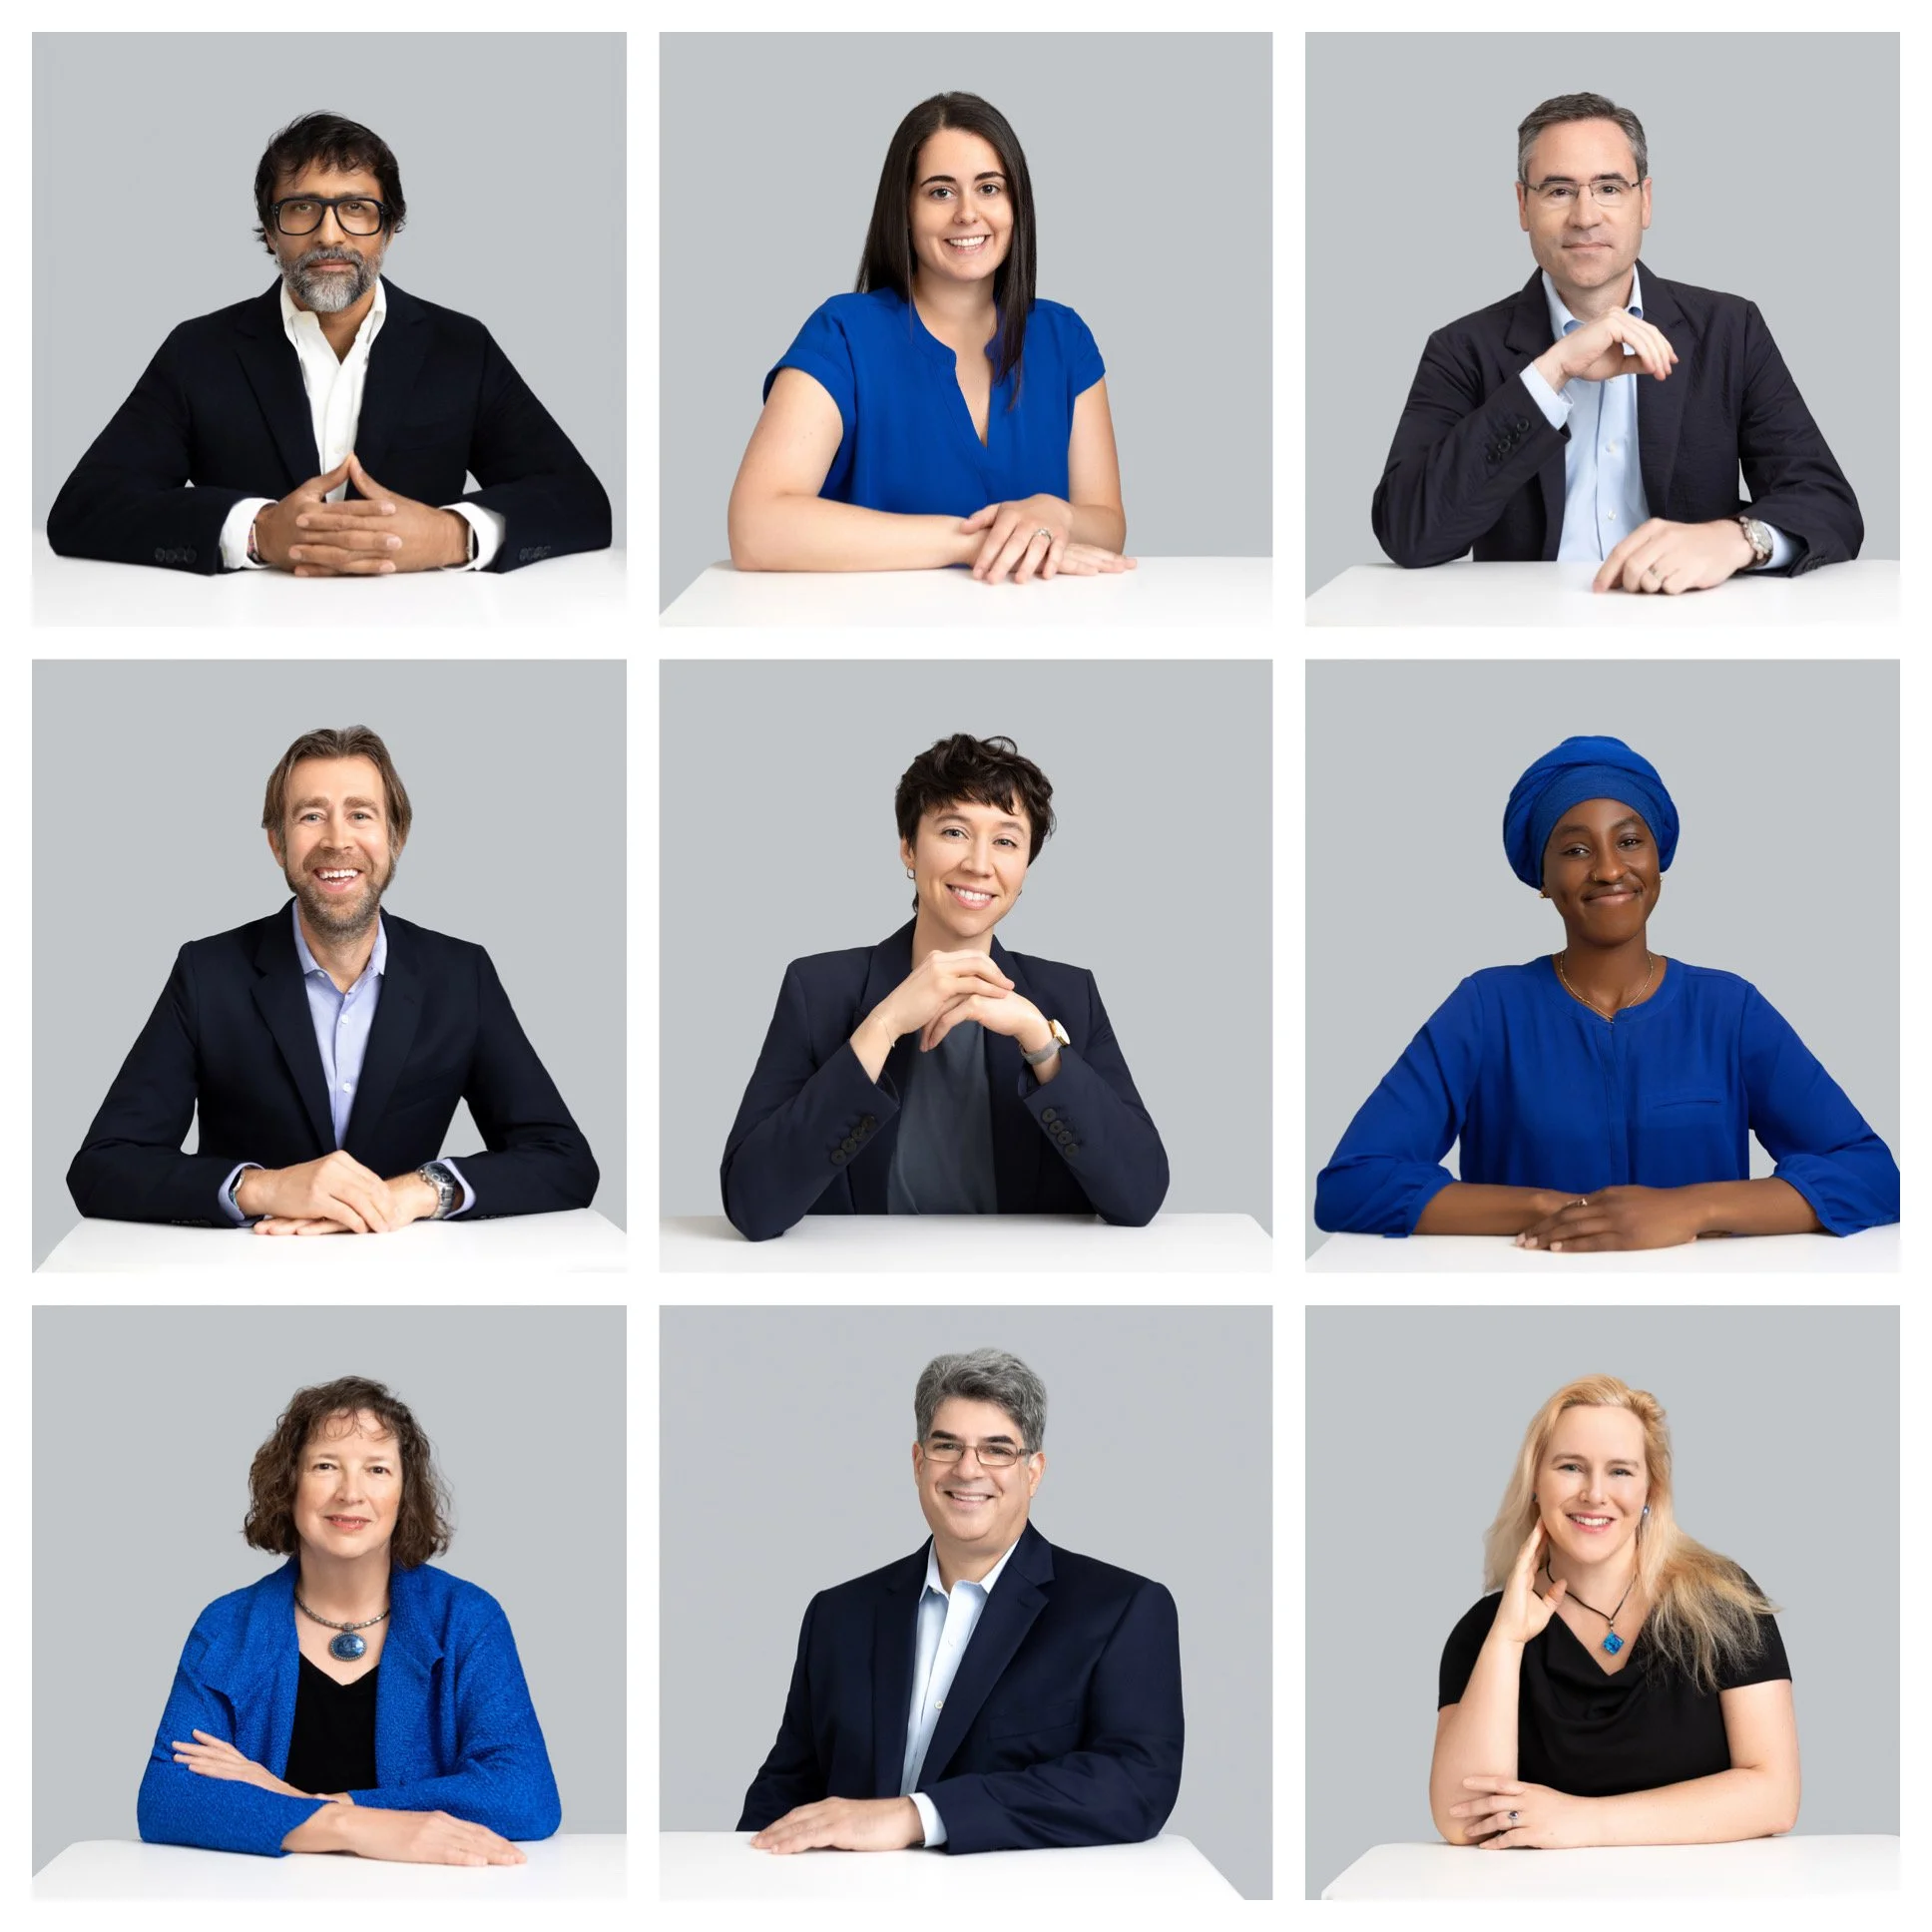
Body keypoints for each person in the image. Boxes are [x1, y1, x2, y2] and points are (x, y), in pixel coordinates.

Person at [1314, 734, 1899, 1246]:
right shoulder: (1485, 1010)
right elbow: (1351, 1185)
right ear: (1542, 879)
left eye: (1628, 841)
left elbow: (1874, 1176)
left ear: (1658, 859)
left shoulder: (1730, 1011)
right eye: (1574, 849)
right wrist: (1555, 1209)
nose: (1609, 869)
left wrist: (1691, 1209)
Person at [67, 725, 598, 1233]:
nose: (337, 840)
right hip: (245, 1276)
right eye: (311, 816)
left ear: (396, 837)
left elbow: (565, 1160)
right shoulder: (207, 973)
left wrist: (415, 1192)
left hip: (408, 1273)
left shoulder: (462, 975)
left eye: (361, 814)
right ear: (278, 843)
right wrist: (264, 1188)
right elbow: (103, 1167)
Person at [48, 112, 610, 577]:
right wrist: (257, 530)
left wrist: (451, 534)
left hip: (429, 622)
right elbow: (84, 508)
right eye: (302, 207)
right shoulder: (199, 349)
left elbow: (583, 503)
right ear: (269, 232)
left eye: (357, 208)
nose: (330, 233)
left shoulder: (461, 346)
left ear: (389, 230)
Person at [1371, 93, 1861, 591]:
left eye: (1608, 187)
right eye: (1559, 191)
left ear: (1644, 201)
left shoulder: (1730, 330)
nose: (1585, 216)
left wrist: (1736, 539)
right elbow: (1408, 531)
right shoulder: (1461, 348)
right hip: (1525, 629)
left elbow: (1828, 503)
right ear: (1523, 205)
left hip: (1692, 620)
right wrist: (1550, 373)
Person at [721, 733, 1168, 1239]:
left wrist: (1041, 1044)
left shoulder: (1068, 997)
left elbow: (1140, 1196)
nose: (979, 864)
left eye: (1006, 841)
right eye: (954, 832)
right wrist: (883, 1026)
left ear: (1024, 868)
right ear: (908, 848)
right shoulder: (817, 989)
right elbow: (751, 1204)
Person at [739, 1349, 1184, 1853]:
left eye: (997, 1450)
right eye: (947, 1446)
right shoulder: (838, 1614)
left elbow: (1134, 1783)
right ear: (917, 1462)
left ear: (1033, 1471)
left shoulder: (1121, 1609)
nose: (968, 1470)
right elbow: (785, 1790)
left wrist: (918, 1816)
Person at [138, 1376, 560, 1863]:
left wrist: (299, 1802)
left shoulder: (467, 1619)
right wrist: (352, 1825)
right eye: (325, 1466)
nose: (350, 1493)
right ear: (290, 1483)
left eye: (377, 1469)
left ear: (405, 1493)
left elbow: (526, 1795)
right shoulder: (228, 1626)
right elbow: (166, 1799)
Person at [726, 92, 1135, 587]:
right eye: (941, 192)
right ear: (905, 210)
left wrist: (1059, 515)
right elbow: (755, 528)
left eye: (989, 188)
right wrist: (969, 542)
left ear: (1016, 205)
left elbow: (1108, 526)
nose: (968, 213)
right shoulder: (843, 334)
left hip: (1037, 637)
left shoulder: (1064, 337)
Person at [1431, 1376, 1798, 1849]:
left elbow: (1775, 1796)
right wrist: (1506, 1640)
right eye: (1570, 1467)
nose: (1595, 1494)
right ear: (1535, 1485)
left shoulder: (1724, 1603)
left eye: (1620, 1471)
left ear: (1650, 1490)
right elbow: (1465, 1821)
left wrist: (1586, 1821)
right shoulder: (1485, 1632)